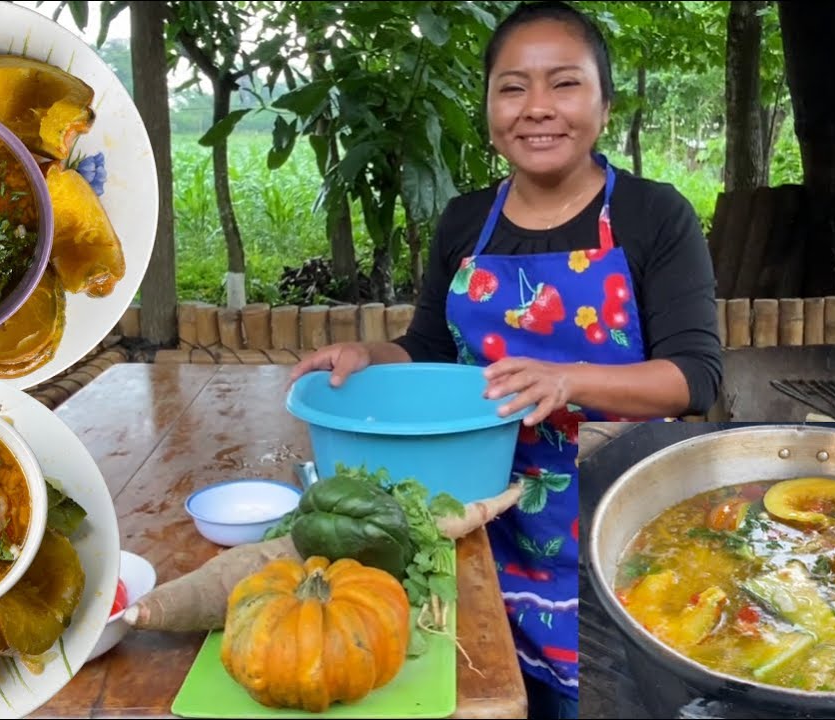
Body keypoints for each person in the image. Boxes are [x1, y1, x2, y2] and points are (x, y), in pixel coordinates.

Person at [287, 2, 722, 717]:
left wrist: (566, 380)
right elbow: (428, 349)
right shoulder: (465, 219)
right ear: (489, 105)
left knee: (601, 696)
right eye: (513, 87)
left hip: (608, 517)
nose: (537, 109)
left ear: (604, 105)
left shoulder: (653, 215)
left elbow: (694, 379)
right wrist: (366, 354)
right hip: (470, 512)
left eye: (565, 84)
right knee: (476, 686)